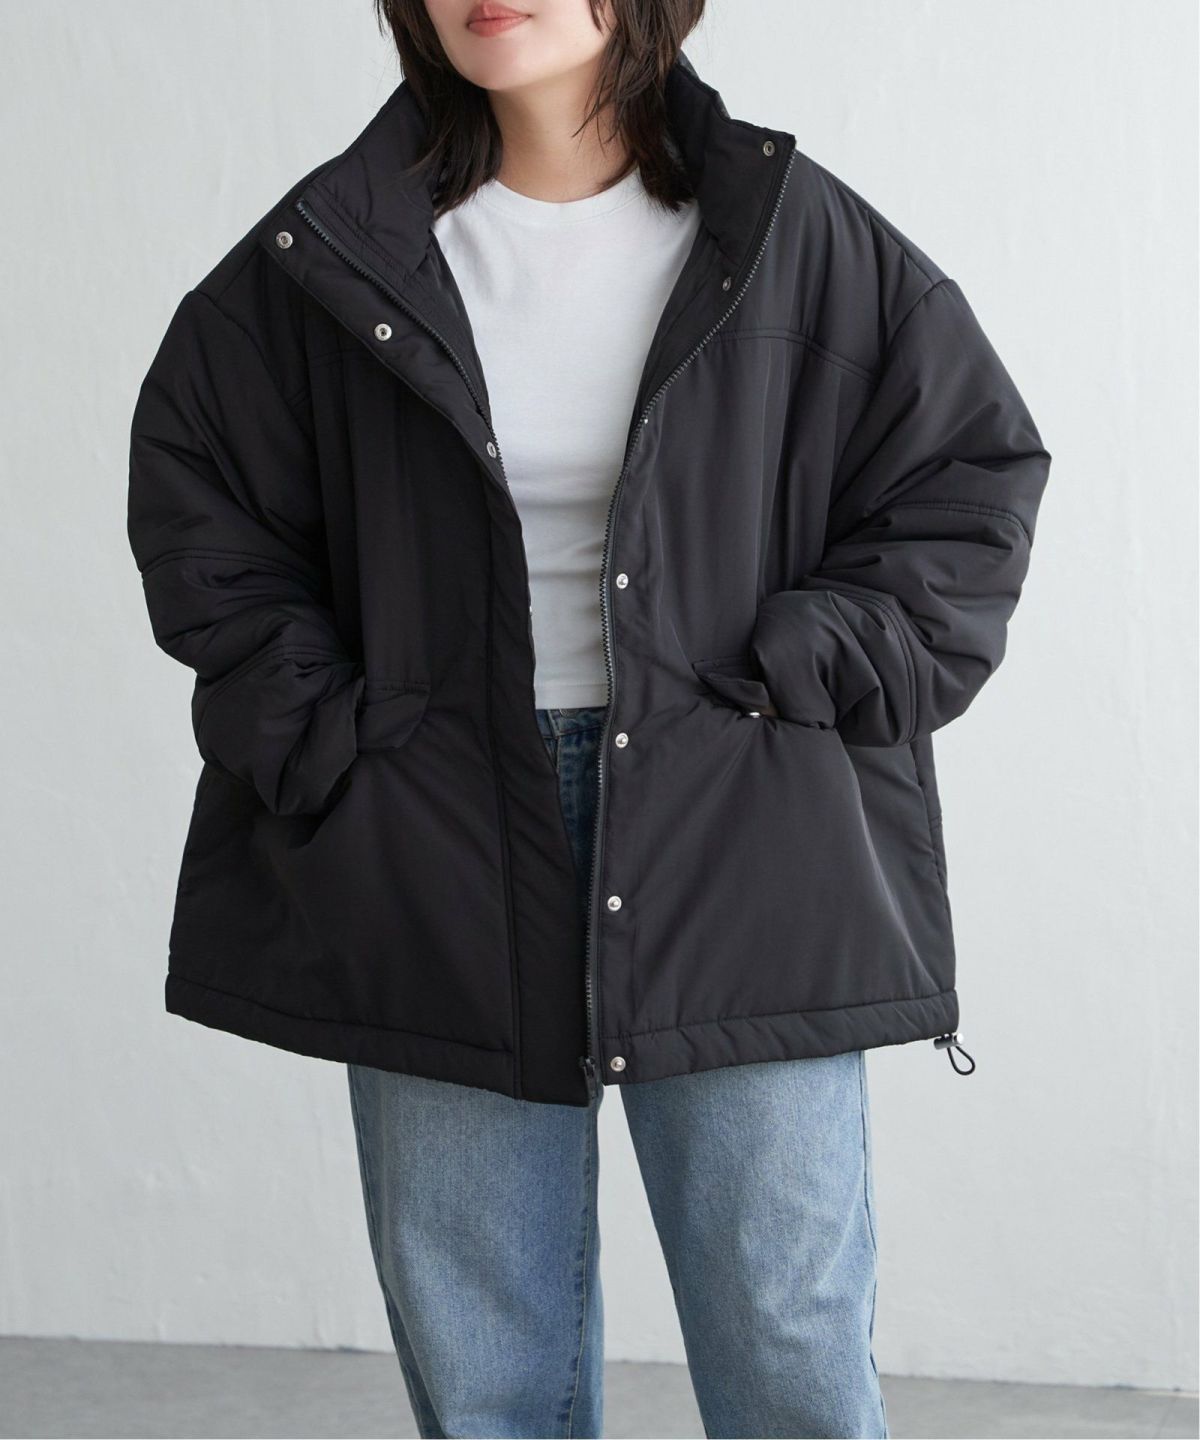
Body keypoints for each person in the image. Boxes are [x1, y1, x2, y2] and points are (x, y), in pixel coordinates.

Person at [127, 0, 1051, 1435]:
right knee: (487, 1378)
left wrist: (813, 666)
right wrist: (323, 732)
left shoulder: (789, 232)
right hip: (434, 830)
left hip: (739, 820)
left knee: (788, 1346)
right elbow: (207, 506)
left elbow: (967, 476)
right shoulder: (336, 248)